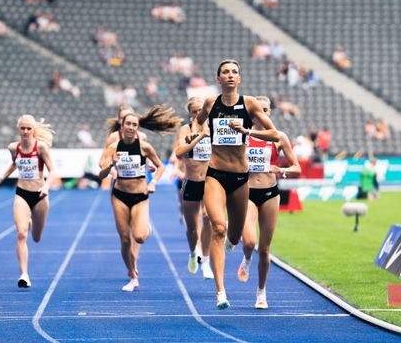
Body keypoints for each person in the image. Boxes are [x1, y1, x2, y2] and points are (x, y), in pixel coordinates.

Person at [190, 59, 279, 309]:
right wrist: (200, 133)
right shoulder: (211, 103)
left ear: (239, 78)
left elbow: (274, 134)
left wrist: (246, 131)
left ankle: (232, 239)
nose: (230, 75)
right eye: (225, 72)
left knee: (236, 234)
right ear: (218, 78)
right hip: (215, 173)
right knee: (217, 227)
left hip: (241, 178)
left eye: (234, 72)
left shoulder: (248, 104)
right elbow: (199, 120)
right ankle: (220, 292)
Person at [98, 105, 182, 292]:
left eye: (134, 124)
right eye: (127, 123)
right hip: (119, 195)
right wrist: (112, 164)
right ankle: (133, 275)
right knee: (125, 240)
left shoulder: (144, 145)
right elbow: (101, 173)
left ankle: (145, 228)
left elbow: (160, 166)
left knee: (140, 237)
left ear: (137, 127)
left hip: (140, 195)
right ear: (122, 126)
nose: (130, 127)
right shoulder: (113, 146)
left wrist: (153, 183)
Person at [236, 96, 301, 309]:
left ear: (270, 113)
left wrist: (281, 170)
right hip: (247, 193)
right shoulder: (242, 136)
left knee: (264, 249)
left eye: (265, 110)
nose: (261, 114)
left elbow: (296, 168)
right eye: (258, 111)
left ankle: (261, 293)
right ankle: (246, 259)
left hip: (271, 194)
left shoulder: (279, 137)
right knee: (249, 242)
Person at [0, 115, 56, 288]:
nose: (26, 131)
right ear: (18, 129)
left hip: (40, 195)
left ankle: (32, 220)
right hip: (21, 193)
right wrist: (1, 178)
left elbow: (53, 169)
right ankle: (24, 274)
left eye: (29, 128)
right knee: (21, 233)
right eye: (23, 128)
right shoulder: (13, 148)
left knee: (36, 237)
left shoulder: (40, 147)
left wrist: (46, 187)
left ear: (33, 129)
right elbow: (14, 164)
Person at [174, 97, 214, 279]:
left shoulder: (213, 128)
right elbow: (179, 153)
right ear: (190, 114)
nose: (198, 114)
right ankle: (192, 253)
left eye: (201, 110)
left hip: (210, 181)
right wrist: (198, 138)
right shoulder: (186, 129)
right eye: (194, 111)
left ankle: (206, 261)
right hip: (191, 182)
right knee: (191, 229)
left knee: (208, 218)